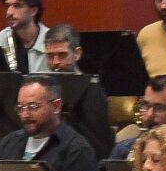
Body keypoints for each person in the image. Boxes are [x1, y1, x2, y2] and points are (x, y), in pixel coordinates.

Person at [0, 75, 100, 171]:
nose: (25, 114)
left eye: (33, 106)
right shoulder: (9, 143)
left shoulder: (77, 150)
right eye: (20, 108)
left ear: (56, 106)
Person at [41, 23, 115, 155]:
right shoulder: (43, 91)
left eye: (62, 55)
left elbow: (101, 146)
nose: (55, 62)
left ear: (77, 53)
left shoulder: (93, 92)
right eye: (50, 56)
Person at [0, 0, 51, 74]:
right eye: (7, 6)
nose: (9, 12)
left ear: (33, 11)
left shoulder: (52, 41)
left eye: (17, 6)